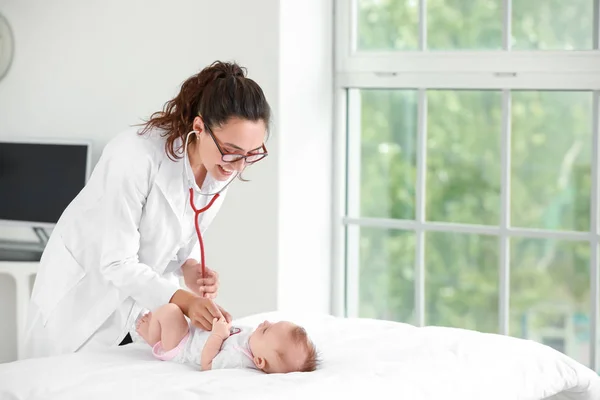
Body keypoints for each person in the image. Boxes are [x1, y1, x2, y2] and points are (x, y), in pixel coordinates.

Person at [23, 60, 271, 358]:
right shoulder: (134, 156)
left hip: (141, 309)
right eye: (232, 151)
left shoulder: (220, 167)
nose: (239, 166)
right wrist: (185, 302)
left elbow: (180, 233)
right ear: (199, 127)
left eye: (251, 154)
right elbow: (116, 262)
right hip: (84, 298)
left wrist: (188, 266)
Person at [135, 304, 319, 373]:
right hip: (192, 334)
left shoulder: (238, 358)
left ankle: (150, 336)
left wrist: (218, 334)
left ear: (259, 361)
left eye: (266, 330)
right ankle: (155, 328)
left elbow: (207, 363)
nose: (265, 322)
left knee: (170, 311)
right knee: (174, 311)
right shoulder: (253, 341)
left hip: (182, 346)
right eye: (271, 323)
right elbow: (232, 332)